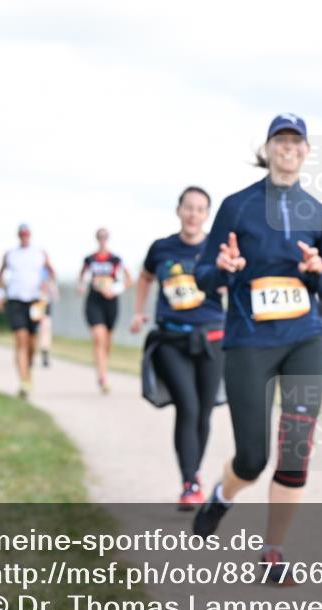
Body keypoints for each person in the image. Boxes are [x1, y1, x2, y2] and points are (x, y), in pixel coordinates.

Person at [191, 114, 322, 580]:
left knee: (296, 446)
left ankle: (273, 550)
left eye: (297, 141)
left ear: (307, 151)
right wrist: (223, 268)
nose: (288, 147)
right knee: (252, 460)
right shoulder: (236, 207)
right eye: (281, 139)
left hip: (305, 341)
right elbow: (203, 276)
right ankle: (222, 496)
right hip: (248, 342)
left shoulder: (318, 214)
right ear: (268, 148)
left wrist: (317, 272)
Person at [132, 186, 226, 509]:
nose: (193, 214)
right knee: (187, 405)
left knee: (203, 411)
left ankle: (193, 474)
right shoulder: (161, 248)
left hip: (212, 338)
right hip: (171, 339)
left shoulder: (216, 249)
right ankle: (190, 483)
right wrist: (138, 311)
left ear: (207, 215)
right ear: (178, 210)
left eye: (200, 209)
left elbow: (232, 283)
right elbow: (145, 277)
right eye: (188, 207)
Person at [0, 223, 56, 398]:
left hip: (35, 301)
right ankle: (24, 381)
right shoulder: (10, 254)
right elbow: (0, 276)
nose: (24, 237)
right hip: (16, 301)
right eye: (22, 234)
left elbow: (51, 273)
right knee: (20, 339)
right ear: (18, 235)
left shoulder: (40, 253)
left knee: (32, 342)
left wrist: (48, 285)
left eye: (27, 234)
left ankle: (28, 371)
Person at [78, 228, 131, 393]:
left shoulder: (115, 259)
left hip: (111, 301)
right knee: (98, 337)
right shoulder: (90, 259)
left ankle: (103, 370)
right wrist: (82, 286)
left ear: (108, 238)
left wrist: (115, 290)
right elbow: (82, 277)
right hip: (94, 300)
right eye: (100, 237)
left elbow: (129, 279)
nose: (102, 239)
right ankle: (102, 378)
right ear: (96, 239)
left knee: (107, 341)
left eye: (104, 237)